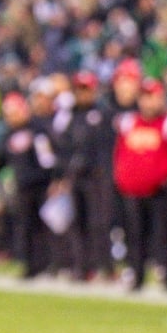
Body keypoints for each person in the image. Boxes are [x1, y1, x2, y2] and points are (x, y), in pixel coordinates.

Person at [113, 76, 167, 290]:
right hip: (133, 189)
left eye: (152, 97)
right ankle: (137, 275)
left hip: (161, 188)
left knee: (162, 235)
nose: (148, 102)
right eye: (145, 97)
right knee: (134, 234)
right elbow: (121, 153)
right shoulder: (129, 121)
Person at [60, 70, 117, 280]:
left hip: (98, 176)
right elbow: (64, 147)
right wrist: (66, 172)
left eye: (86, 89)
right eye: (79, 89)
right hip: (77, 177)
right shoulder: (70, 116)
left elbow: (108, 146)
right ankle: (82, 267)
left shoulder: (102, 115)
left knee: (99, 223)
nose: (83, 94)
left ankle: (105, 266)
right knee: (78, 223)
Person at [0, 87, 59, 280]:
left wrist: (53, 179)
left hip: (40, 184)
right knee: (25, 226)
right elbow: (1, 159)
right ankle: (30, 265)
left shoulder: (37, 130)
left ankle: (49, 263)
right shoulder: (9, 135)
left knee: (44, 226)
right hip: (22, 185)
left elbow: (47, 158)